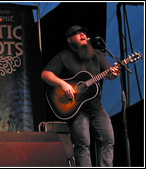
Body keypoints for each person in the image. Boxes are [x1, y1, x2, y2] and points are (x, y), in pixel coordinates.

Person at [41, 25, 120, 167]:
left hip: (96, 107)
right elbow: (45, 74)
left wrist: (113, 74)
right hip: (76, 109)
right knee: (83, 144)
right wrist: (63, 84)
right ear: (70, 40)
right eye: (78, 33)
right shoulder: (63, 57)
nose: (83, 34)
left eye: (83, 33)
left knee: (108, 140)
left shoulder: (97, 54)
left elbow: (109, 76)